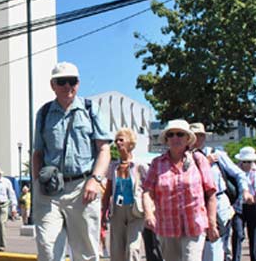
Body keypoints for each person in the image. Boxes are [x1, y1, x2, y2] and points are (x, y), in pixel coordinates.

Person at [32, 61, 112, 261]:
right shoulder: (43, 114)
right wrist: (36, 184)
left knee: (86, 253)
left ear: (78, 83)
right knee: (47, 247)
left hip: (83, 188)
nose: (68, 86)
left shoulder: (90, 109)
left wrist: (95, 180)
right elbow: (38, 154)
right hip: (50, 190)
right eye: (62, 82)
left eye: (72, 81)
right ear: (53, 85)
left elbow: (104, 149)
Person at [142, 119, 218, 261]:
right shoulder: (157, 163)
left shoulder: (199, 159)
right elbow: (147, 191)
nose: (175, 138)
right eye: (170, 135)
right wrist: (148, 214)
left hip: (194, 225)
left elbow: (211, 193)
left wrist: (212, 223)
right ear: (166, 139)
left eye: (180, 134)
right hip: (167, 227)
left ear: (188, 138)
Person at [190, 123, 253, 261]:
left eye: (201, 135)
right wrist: (205, 162)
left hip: (219, 204)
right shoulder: (183, 158)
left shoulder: (216, 154)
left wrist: (245, 191)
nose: (197, 139)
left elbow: (239, 174)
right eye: (195, 135)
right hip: (194, 206)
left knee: (217, 245)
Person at [102, 127, 147, 261]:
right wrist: (104, 211)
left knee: (133, 249)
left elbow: (149, 189)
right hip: (117, 211)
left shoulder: (140, 165)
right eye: (116, 140)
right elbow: (108, 191)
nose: (118, 143)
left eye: (121, 140)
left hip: (136, 211)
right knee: (116, 250)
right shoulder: (114, 167)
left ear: (130, 143)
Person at [231, 147, 256, 261]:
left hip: (255, 206)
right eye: (244, 161)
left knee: (255, 237)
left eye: (249, 161)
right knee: (238, 234)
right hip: (238, 207)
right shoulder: (234, 171)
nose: (247, 164)